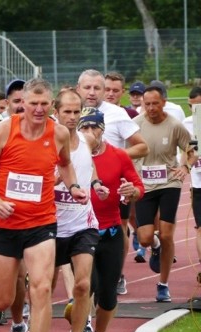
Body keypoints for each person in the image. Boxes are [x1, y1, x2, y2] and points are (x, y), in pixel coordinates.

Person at [0, 78, 87, 332]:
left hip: (41, 223)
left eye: (44, 104)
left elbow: (65, 165)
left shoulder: (59, 133)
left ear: (51, 105)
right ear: (22, 103)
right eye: (32, 104)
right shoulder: (3, 130)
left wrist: (74, 185)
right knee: (4, 297)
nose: (38, 109)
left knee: (40, 290)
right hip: (5, 225)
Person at [78, 107, 144, 332]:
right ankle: (81, 325)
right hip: (83, 232)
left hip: (112, 231)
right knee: (86, 286)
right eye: (84, 128)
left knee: (107, 294)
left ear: (103, 130)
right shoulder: (72, 157)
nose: (90, 132)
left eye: (94, 127)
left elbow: (138, 186)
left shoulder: (118, 156)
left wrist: (132, 191)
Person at [76, 69, 149, 296]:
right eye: (87, 87)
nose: (92, 92)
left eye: (98, 88)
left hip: (113, 183)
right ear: (78, 89)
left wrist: (116, 157)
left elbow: (142, 146)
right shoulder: (69, 113)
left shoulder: (116, 114)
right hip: (78, 188)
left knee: (119, 228)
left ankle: (117, 273)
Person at [53, 91, 109, 332]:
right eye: (68, 112)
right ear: (56, 112)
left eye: (77, 113)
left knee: (83, 284)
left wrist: (95, 184)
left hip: (83, 224)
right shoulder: (46, 141)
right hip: (49, 226)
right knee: (37, 287)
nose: (73, 118)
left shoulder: (87, 140)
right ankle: (20, 321)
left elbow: (90, 165)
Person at [134, 85, 195, 302]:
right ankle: (156, 247)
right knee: (145, 238)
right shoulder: (136, 125)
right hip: (144, 185)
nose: (150, 108)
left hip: (169, 183)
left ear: (163, 103)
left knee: (168, 233)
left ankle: (163, 284)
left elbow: (191, 150)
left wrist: (185, 167)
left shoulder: (175, 125)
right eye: (146, 104)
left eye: (155, 103)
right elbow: (127, 153)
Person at [183, 87, 201, 265]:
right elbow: (184, 154)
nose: (196, 111)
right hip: (198, 185)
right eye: (192, 107)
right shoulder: (186, 124)